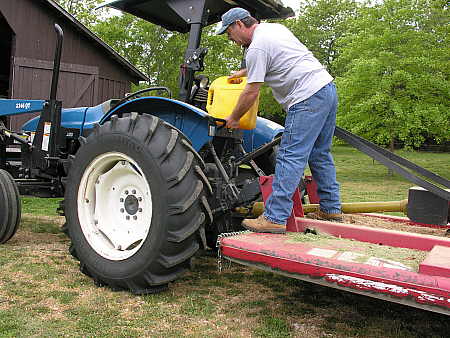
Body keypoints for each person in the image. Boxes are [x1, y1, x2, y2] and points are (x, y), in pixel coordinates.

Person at [216, 7, 343, 234]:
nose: (231, 39)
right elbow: (280, 58)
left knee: (290, 156)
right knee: (319, 153)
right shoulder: (273, 30)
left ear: (238, 25)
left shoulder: (256, 48)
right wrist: (245, 71)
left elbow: (251, 92)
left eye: (229, 33)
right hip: (326, 89)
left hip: (306, 98)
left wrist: (233, 118)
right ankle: (331, 209)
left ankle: (274, 217)